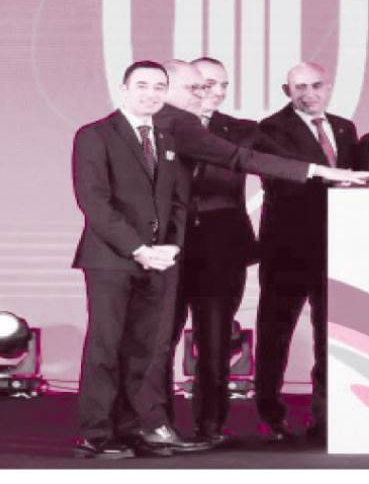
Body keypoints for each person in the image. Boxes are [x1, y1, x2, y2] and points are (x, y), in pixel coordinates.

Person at [72, 61, 192, 459]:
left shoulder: (167, 139)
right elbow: (95, 202)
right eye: (142, 85)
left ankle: (130, 428)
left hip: (159, 260)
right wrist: (138, 249)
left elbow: (178, 201)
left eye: (159, 87)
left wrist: (171, 246)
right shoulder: (95, 135)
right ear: (123, 89)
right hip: (112, 259)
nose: (151, 94)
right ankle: (96, 433)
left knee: (143, 350)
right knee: (106, 346)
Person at [254, 62, 360, 443]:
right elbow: (285, 179)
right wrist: (336, 184)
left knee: (331, 337)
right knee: (274, 335)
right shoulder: (270, 128)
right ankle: (269, 416)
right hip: (287, 249)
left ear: (329, 87)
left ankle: (326, 418)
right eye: (299, 87)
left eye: (316, 85)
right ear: (287, 91)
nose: (309, 93)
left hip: (337, 248)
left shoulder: (345, 128)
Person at [169, 57, 260, 446]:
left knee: (215, 341)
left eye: (223, 84)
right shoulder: (162, 126)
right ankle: (156, 424)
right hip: (169, 249)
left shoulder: (243, 131)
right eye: (207, 83)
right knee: (161, 339)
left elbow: (282, 160)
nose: (216, 92)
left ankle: (210, 426)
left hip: (223, 249)